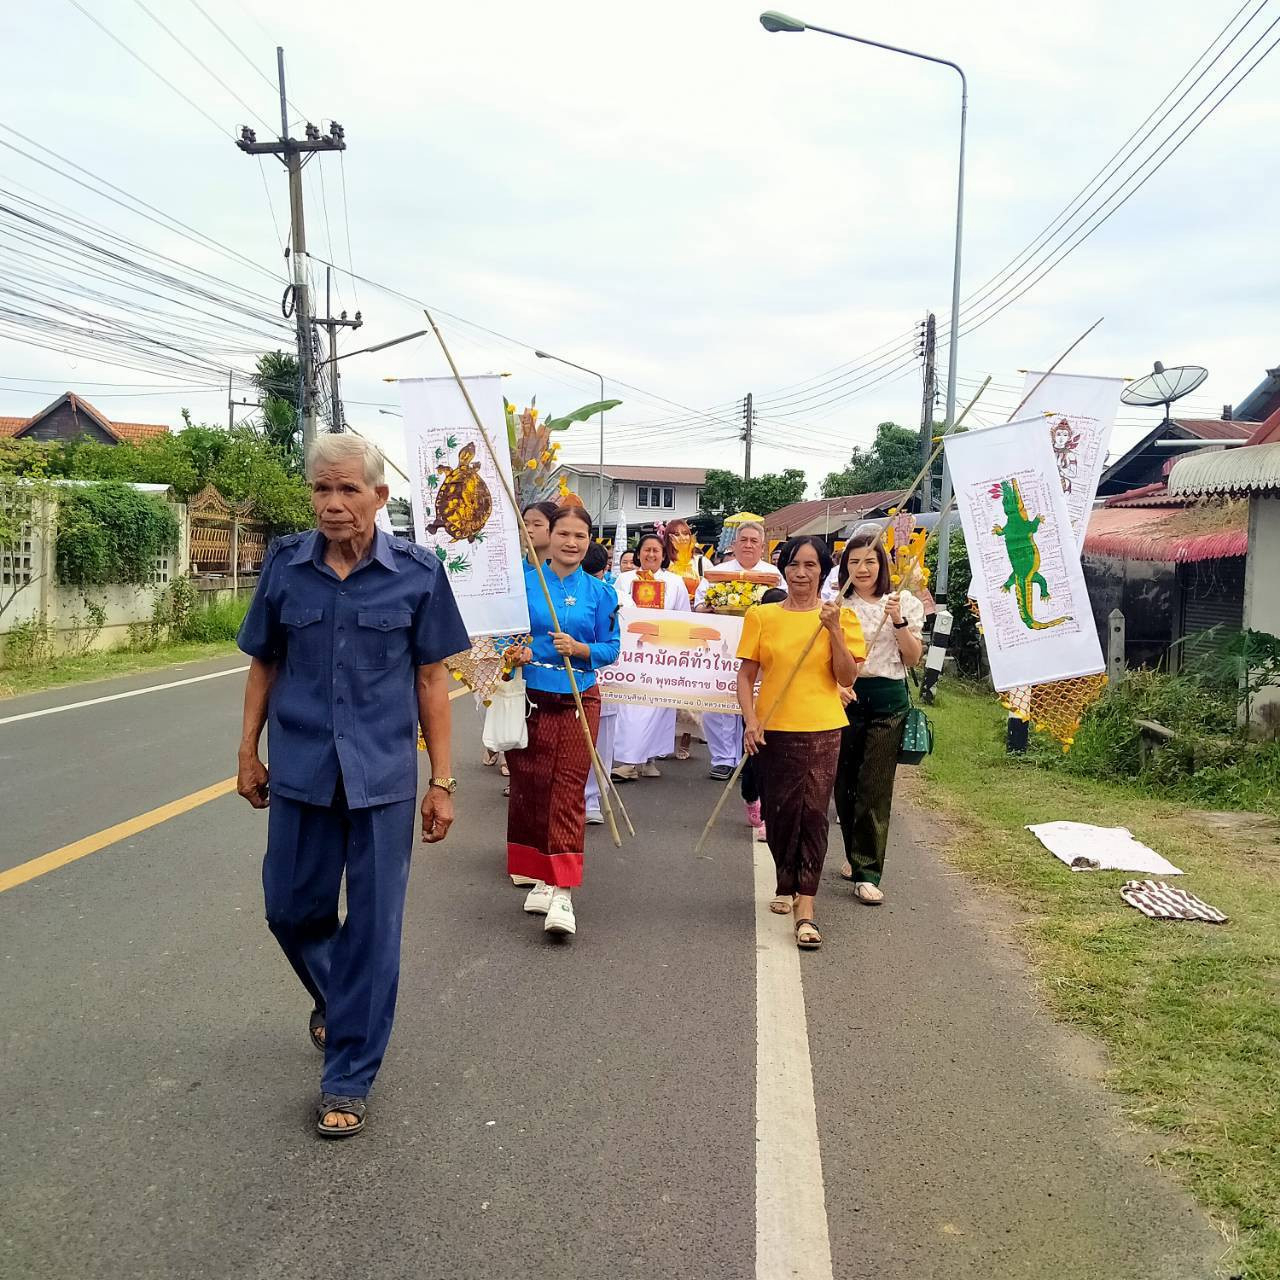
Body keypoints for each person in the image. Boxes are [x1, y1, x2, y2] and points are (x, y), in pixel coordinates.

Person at [236, 434, 470, 1139]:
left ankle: (347, 1075)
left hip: (384, 778)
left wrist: (444, 781)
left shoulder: (419, 574)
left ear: (379, 496)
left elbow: (433, 679)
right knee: (289, 909)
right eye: (320, 491)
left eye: (347, 490)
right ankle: (344, 1001)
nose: (333, 505)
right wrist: (246, 749)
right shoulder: (285, 567)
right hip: (303, 770)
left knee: (373, 929)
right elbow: (263, 665)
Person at [737, 536, 864, 950]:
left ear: (823, 571)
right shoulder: (761, 616)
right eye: (795, 564)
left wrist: (834, 631)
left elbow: (846, 678)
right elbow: (746, 675)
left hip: (823, 728)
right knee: (781, 813)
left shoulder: (839, 616)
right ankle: (786, 881)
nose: (802, 573)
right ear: (784, 569)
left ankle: (806, 908)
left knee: (813, 813)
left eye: (811, 565)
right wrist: (751, 720)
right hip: (774, 730)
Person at [506, 505, 620, 937]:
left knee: (568, 790)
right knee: (531, 785)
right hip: (530, 696)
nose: (572, 543)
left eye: (581, 536)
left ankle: (564, 891)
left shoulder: (601, 592)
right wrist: (514, 651)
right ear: (548, 536)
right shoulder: (523, 583)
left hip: (578, 697)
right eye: (564, 534)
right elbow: (503, 634)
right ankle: (538, 873)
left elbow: (611, 648)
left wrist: (580, 648)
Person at [832, 528, 925, 904]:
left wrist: (899, 621)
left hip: (888, 701)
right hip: (845, 700)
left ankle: (868, 871)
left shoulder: (902, 601)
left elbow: (912, 658)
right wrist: (837, 687)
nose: (862, 568)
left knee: (874, 785)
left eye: (870, 561)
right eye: (854, 561)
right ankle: (855, 853)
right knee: (844, 783)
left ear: (882, 564)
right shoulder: (837, 603)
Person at [695, 521, 783, 780]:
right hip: (722, 648)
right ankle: (723, 759)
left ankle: (751, 758)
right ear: (734, 544)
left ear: (762, 546)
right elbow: (699, 604)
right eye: (743, 540)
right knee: (719, 701)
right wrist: (709, 607)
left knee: (756, 701)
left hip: (760, 648)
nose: (748, 545)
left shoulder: (774, 575)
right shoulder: (717, 573)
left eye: (753, 541)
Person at [612, 533, 691, 780]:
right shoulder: (624, 580)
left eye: (656, 550)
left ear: (664, 554)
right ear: (639, 554)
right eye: (646, 550)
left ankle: (649, 759)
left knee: (658, 708)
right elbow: (614, 611)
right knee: (632, 707)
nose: (651, 555)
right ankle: (628, 761)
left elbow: (684, 616)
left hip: (662, 654)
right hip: (632, 653)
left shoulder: (676, 582)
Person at [740, 586, 788, 839]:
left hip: (785, 714)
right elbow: (745, 675)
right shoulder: (757, 631)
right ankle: (751, 798)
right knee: (753, 765)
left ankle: (771, 817)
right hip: (755, 714)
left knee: (781, 770)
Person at [581, 541, 619, 824]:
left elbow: (612, 644)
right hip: (572, 681)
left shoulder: (610, 593)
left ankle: (594, 797)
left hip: (609, 679)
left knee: (601, 740)